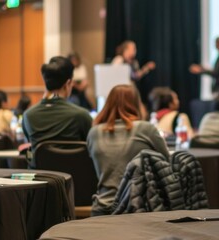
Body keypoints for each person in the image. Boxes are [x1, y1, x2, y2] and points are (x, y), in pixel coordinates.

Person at [87, 84, 169, 216]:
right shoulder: (146, 129)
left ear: (108, 104)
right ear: (136, 104)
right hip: (137, 208)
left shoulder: (94, 133)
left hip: (101, 209)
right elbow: (166, 164)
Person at [23, 56, 93, 168]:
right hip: (75, 180)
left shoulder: (28, 116)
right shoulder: (81, 115)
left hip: (42, 181)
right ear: (68, 84)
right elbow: (92, 147)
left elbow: (29, 148)